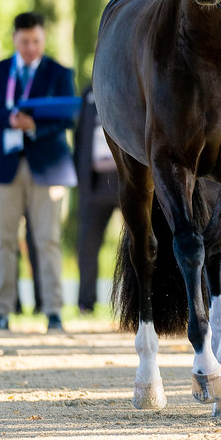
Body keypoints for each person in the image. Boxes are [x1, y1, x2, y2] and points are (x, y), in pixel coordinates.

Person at [0, 12, 77, 332]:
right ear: (14, 40)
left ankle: (53, 311)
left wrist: (34, 125)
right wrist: (9, 120)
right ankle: (2, 310)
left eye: (36, 41)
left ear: (43, 39)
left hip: (46, 167)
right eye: (24, 42)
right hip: (5, 166)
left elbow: (69, 116)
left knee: (47, 240)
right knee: (3, 240)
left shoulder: (59, 73)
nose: (31, 47)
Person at [73, 85, 119, 314]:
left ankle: (144, 305)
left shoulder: (132, 80)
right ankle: (85, 304)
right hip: (94, 183)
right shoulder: (88, 93)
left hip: (126, 181)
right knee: (87, 246)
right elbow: (80, 136)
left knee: (142, 243)